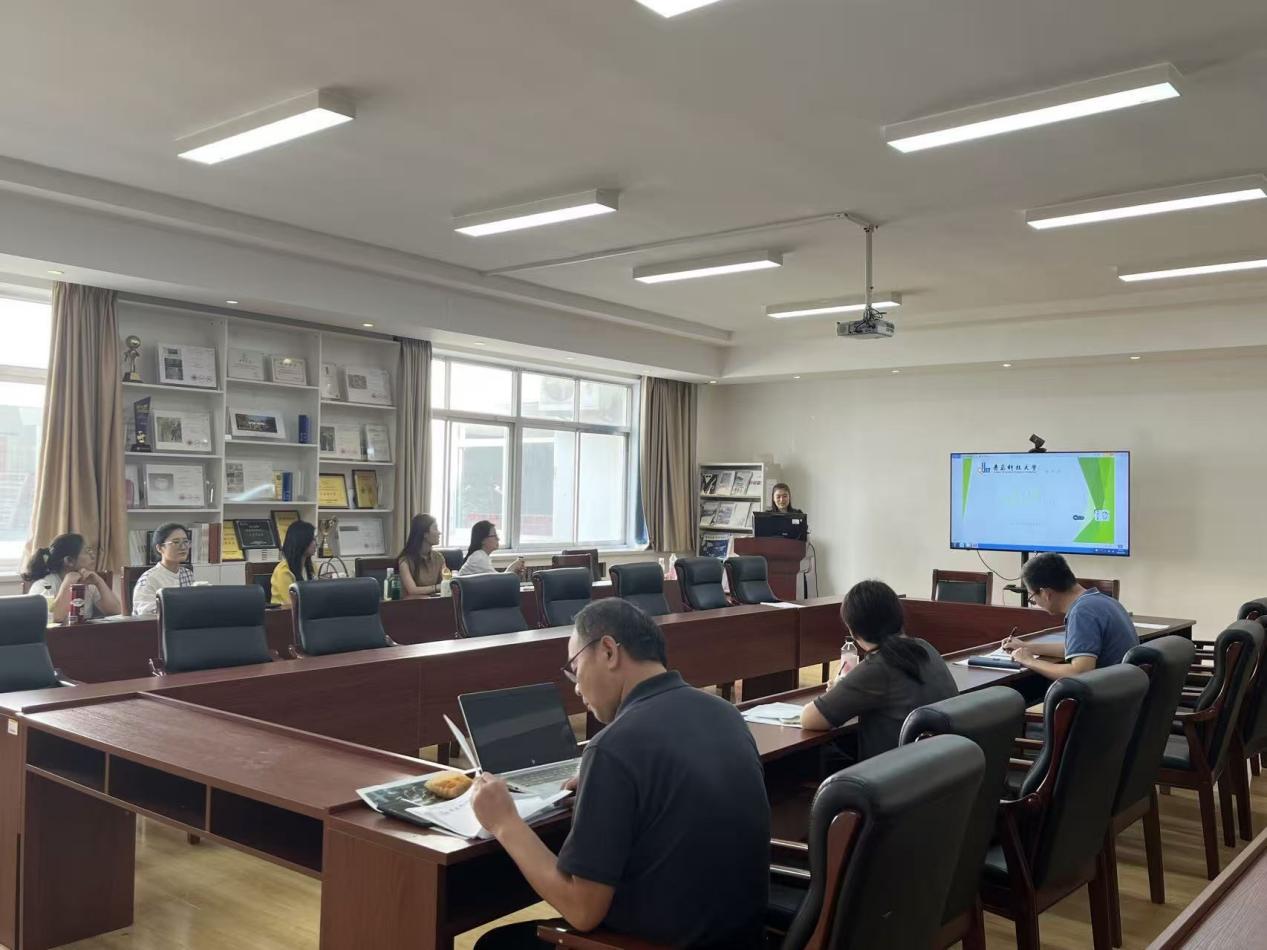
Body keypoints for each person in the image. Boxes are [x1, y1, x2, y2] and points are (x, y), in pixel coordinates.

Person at [470, 599, 770, 949]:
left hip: (656, 943)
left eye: (575, 667)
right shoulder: (725, 714)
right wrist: (605, 789)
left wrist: (505, 822)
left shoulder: (614, 746)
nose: (576, 687)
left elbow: (582, 910)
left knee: (497, 944)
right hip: (743, 938)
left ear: (609, 652)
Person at [800, 579, 958, 760]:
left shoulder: (879, 666)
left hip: (892, 770)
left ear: (853, 630)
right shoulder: (924, 647)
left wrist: (841, 690)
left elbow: (809, 719)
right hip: (938, 765)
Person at [1002, 552, 1138, 680]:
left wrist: (1028, 661)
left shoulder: (1082, 612)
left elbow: (1079, 673)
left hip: (1107, 693)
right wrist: (1027, 647)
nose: (1035, 602)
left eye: (1032, 597)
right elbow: (1078, 649)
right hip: (1127, 688)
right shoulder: (1103, 601)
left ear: (1045, 593)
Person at [23, 533, 121, 622]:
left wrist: (99, 582)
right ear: (69, 560)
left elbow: (116, 612)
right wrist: (68, 583)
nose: (93, 556)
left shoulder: (89, 583)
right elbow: (55, 617)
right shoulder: (45, 585)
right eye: (87, 551)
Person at [132, 523, 196, 615]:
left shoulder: (187, 574)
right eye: (176, 542)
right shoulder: (149, 579)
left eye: (185, 542)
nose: (183, 547)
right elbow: (146, 613)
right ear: (160, 548)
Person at [270, 520, 317, 606]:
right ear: (301, 541)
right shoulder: (283, 571)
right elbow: (290, 604)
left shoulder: (312, 566)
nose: (315, 544)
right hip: (285, 613)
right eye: (312, 540)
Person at [397, 514, 445, 596]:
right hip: (413, 602)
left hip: (435, 601)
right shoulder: (405, 561)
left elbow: (447, 581)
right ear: (425, 534)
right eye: (435, 528)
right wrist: (436, 587)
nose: (439, 533)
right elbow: (412, 590)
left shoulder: (439, 558)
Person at [457, 520, 525, 577]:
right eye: (494, 535)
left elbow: (498, 581)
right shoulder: (479, 558)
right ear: (483, 540)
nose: (498, 539)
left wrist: (513, 572)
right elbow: (500, 582)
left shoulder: (480, 555)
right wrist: (512, 568)